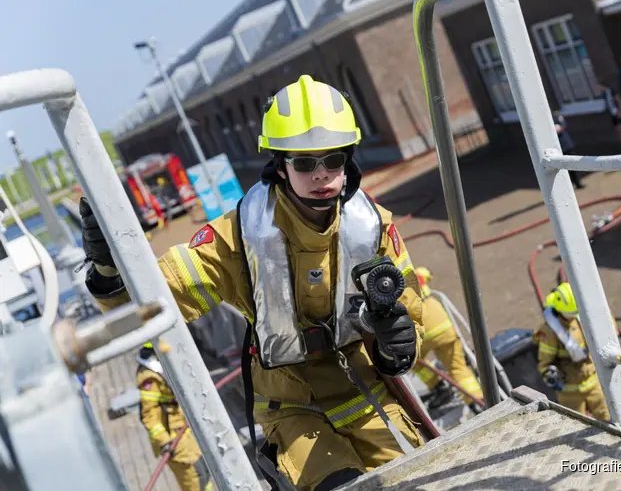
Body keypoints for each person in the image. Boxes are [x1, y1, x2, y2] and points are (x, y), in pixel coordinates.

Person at [80, 74, 426, 491]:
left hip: (366, 391)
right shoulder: (237, 238)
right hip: (295, 408)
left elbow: (412, 311)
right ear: (280, 166)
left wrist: (398, 344)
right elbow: (144, 307)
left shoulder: (373, 227)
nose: (322, 175)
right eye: (304, 162)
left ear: (349, 161)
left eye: (333, 160)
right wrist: (108, 271)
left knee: (418, 480)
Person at [137, 342, 213, 491]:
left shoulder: (162, 366)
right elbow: (148, 415)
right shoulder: (150, 378)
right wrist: (164, 441)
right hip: (174, 440)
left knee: (204, 474)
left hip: (187, 433)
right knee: (193, 480)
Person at [533, 282, 610, 422]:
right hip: (570, 391)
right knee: (578, 427)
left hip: (594, 383)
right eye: (569, 314)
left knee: (609, 420)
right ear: (559, 310)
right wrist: (549, 375)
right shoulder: (550, 332)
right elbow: (544, 362)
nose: (572, 316)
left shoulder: (581, 320)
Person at [411, 267, 484, 413]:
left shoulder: (385, 286)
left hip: (420, 330)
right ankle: (477, 401)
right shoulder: (413, 273)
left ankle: (438, 386)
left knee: (411, 360)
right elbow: (427, 272)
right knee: (457, 367)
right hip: (443, 326)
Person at [598, 78, 621, 152]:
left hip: (616, 111)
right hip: (612, 113)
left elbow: (619, 101)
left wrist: (620, 111)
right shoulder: (603, 94)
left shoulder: (610, 91)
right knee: (618, 129)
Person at [552, 111, 584, 189]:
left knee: (572, 164)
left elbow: (563, 125)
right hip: (556, 147)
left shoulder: (556, 116)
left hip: (566, 144)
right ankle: (568, 185)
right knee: (563, 168)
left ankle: (577, 183)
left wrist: (557, 128)